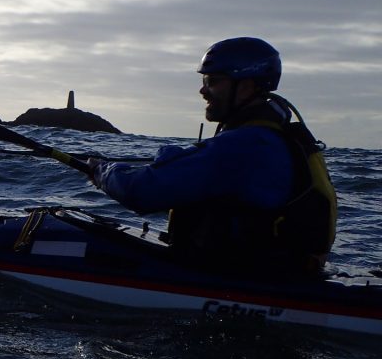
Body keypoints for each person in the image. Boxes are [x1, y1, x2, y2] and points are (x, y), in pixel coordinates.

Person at [88, 37, 337, 277]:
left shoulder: (246, 145)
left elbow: (142, 191)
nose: (203, 90)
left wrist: (101, 171)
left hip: (244, 281)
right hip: (279, 273)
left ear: (248, 86)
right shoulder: (275, 137)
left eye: (213, 81)